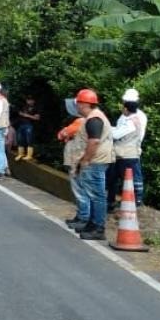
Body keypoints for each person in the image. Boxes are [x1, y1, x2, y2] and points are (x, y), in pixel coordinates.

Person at [66, 88, 115, 240]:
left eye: (78, 103)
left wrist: (85, 160)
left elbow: (94, 141)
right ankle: (92, 224)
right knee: (93, 194)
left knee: (97, 195)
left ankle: (98, 228)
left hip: (95, 161)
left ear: (84, 104)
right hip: (95, 160)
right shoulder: (93, 117)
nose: (77, 106)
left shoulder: (94, 119)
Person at [108, 88, 148, 208]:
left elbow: (118, 134)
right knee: (118, 177)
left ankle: (135, 200)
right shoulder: (128, 116)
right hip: (123, 152)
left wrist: (107, 129)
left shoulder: (135, 118)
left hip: (127, 152)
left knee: (130, 177)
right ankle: (115, 200)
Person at [14, 96, 40, 161]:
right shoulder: (24, 107)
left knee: (29, 140)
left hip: (29, 125)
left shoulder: (36, 108)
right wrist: (21, 114)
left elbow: (37, 118)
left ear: (33, 101)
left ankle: (29, 155)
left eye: (31, 100)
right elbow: (19, 113)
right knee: (20, 139)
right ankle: (21, 154)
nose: (29, 101)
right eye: (28, 100)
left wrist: (27, 115)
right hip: (21, 125)